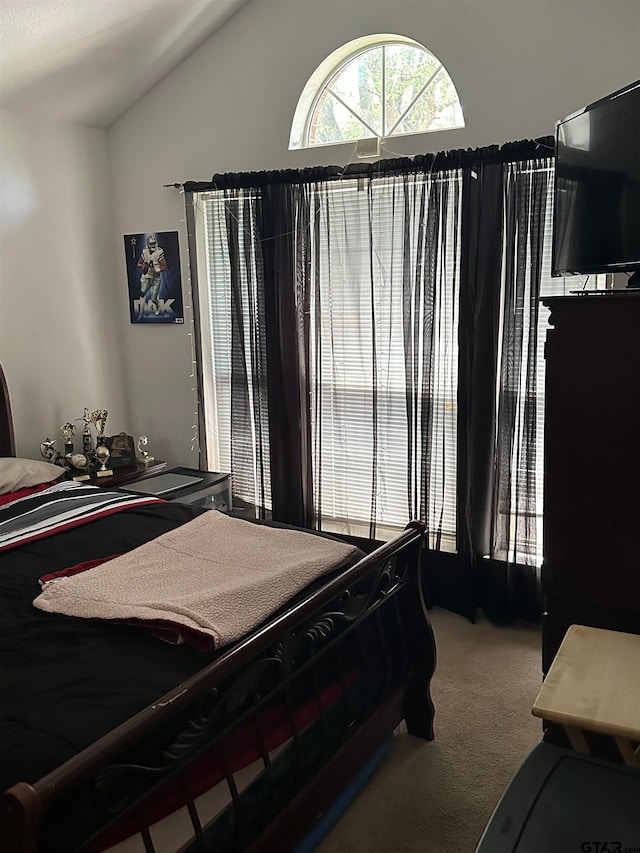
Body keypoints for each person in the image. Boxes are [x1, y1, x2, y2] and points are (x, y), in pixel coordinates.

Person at [137, 234, 167, 315]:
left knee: (153, 299)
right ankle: (141, 312)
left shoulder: (159, 251)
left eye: (154, 243)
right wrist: (143, 265)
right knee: (142, 293)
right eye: (151, 244)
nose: (153, 245)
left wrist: (156, 270)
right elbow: (138, 264)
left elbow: (164, 267)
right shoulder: (145, 251)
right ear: (148, 244)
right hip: (147, 276)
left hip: (156, 278)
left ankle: (157, 304)